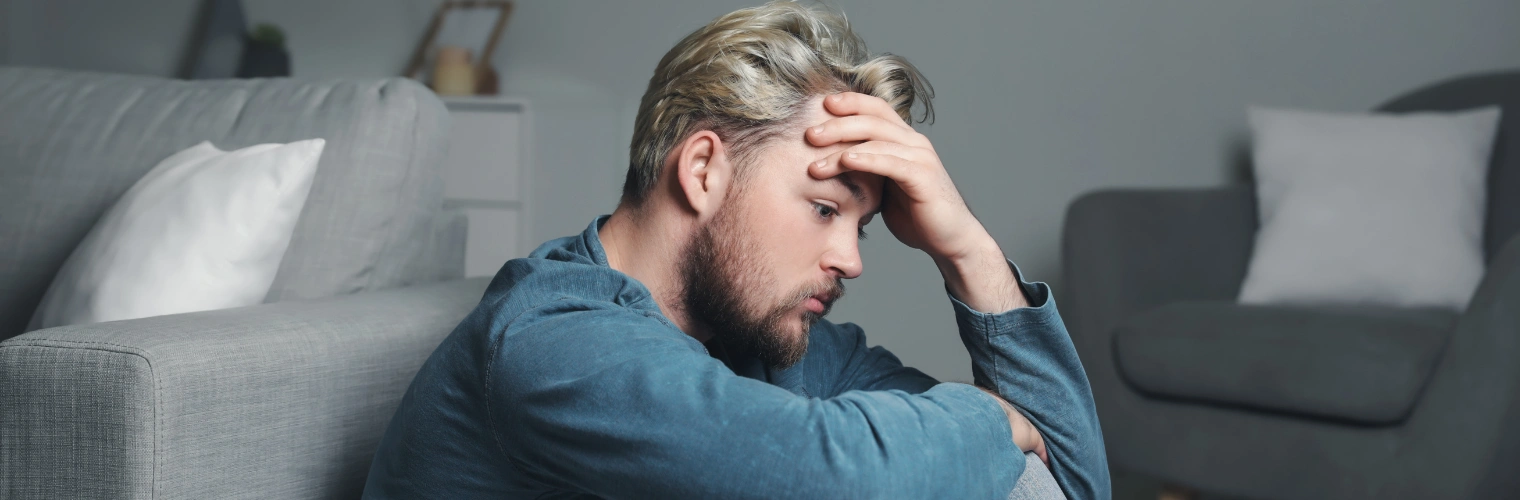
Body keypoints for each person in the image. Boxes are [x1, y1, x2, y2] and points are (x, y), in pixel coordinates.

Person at [363, 2, 1108, 498]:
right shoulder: (555, 340)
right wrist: (985, 419)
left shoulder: (769, 340)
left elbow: (1072, 483)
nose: (851, 260)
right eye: (823, 209)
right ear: (703, 169)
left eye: (862, 226)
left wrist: (966, 250)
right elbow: (827, 473)